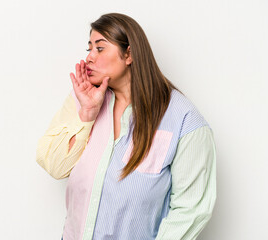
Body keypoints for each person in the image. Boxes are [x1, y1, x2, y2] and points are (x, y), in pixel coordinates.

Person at [36, 13, 216, 240]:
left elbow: (192, 209)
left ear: (128, 54)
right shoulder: (83, 98)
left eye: (100, 49)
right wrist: (87, 114)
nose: (90, 57)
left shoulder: (184, 120)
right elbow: (54, 166)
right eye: (89, 48)